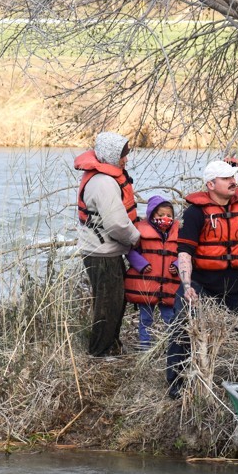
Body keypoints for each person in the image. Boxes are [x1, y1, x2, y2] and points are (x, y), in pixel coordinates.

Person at [165, 160, 238, 398]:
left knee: (234, 332)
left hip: (234, 283)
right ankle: (177, 383)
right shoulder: (195, 212)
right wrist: (186, 286)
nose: (233, 181)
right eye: (226, 178)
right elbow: (184, 252)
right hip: (201, 282)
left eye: (233, 177)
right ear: (211, 184)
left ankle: (228, 382)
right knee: (183, 327)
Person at [75, 131, 141, 357]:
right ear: (112, 156)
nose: (126, 159)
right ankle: (99, 354)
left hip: (103, 250)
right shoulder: (103, 182)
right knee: (108, 305)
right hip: (101, 252)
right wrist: (136, 238)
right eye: (123, 155)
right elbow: (116, 225)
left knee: (116, 301)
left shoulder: (104, 177)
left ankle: (110, 345)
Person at [124, 196, 180, 351]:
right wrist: (141, 264)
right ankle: (145, 349)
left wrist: (177, 265)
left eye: (169, 215)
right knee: (145, 319)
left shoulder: (178, 233)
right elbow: (130, 251)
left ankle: (172, 349)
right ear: (151, 215)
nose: (165, 218)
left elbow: (185, 254)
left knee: (170, 319)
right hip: (146, 286)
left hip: (168, 287)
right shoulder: (139, 232)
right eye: (160, 215)